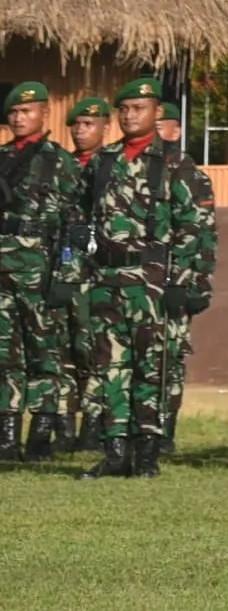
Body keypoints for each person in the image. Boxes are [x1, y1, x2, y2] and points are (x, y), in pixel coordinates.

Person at [74, 77, 211, 478]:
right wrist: (78, 259)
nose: (130, 115)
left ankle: (147, 454)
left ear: (157, 113)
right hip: (107, 277)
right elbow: (79, 215)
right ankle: (115, 452)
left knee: (153, 367)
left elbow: (196, 227)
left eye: (139, 108)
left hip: (153, 280)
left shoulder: (176, 164)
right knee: (109, 366)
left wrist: (183, 283)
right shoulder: (103, 161)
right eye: (125, 109)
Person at [1, 82, 80, 463]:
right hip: (2, 270)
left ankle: (40, 435)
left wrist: (67, 274)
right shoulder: (2, 158)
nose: (19, 118)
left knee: (44, 356)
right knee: (4, 354)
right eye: (14, 112)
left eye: (26, 111)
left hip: (40, 270)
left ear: (44, 114)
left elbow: (76, 225)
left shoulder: (59, 161)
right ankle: (6, 435)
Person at [148, 103, 217, 459]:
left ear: (175, 131)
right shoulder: (136, 168)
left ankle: (165, 428)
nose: (154, 130)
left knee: (169, 356)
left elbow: (204, 235)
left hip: (177, 277)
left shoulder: (190, 174)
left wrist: (196, 283)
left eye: (161, 125)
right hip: (139, 276)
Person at [58, 95, 113, 452]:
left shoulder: (111, 165)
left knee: (93, 347)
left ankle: (94, 424)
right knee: (62, 346)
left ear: (105, 126)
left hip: (96, 271)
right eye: (76, 124)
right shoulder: (60, 165)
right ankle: (64, 424)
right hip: (61, 269)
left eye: (88, 124)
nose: (80, 131)